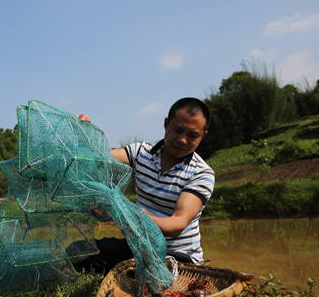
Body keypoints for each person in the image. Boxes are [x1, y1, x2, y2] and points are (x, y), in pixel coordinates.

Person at [75, 97, 214, 273]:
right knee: (79, 251)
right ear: (166, 124)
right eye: (177, 130)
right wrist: (84, 132)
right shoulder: (142, 152)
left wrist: (141, 218)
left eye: (192, 135)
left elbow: (178, 223)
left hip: (178, 256)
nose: (182, 140)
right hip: (140, 245)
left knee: (141, 278)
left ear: (203, 136)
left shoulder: (201, 173)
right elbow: (99, 156)